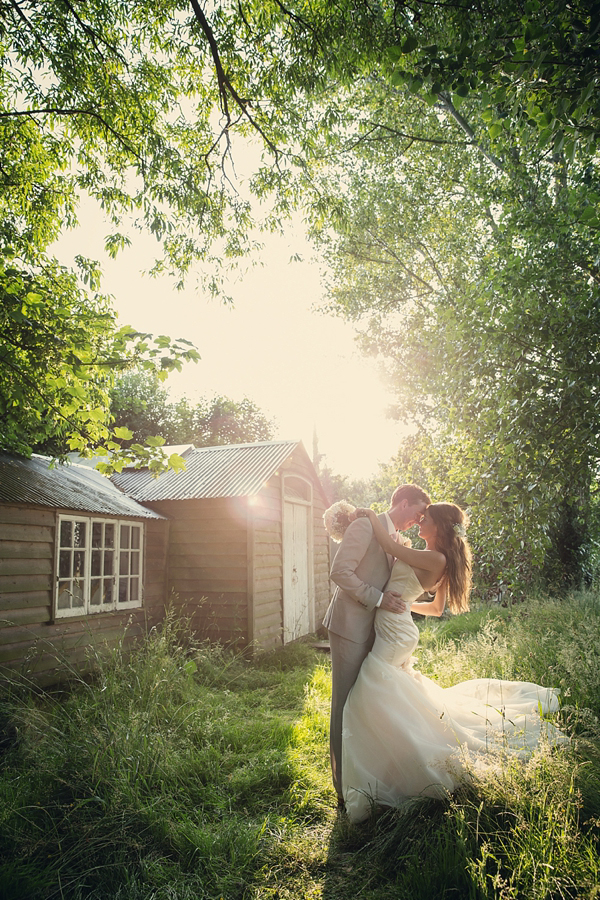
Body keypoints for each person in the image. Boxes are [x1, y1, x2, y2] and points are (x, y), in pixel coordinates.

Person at [341, 504, 567, 823]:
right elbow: (434, 609)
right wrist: (402, 605)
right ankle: (397, 758)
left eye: (426, 519)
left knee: (364, 698)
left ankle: (404, 762)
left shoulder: (437, 559)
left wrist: (370, 516)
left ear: (441, 527)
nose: (421, 521)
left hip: (395, 635)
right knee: (394, 695)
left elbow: (390, 546)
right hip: (399, 627)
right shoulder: (435, 557)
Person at [322, 483, 432, 807]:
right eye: (418, 512)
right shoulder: (365, 525)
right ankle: (342, 789)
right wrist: (380, 599)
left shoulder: (395, 539)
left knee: (364, 704)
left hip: (375, 631)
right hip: (348, 626)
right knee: (344, 704)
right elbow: (339, 572)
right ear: (402, 502)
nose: (419, 519)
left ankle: (366, 778)